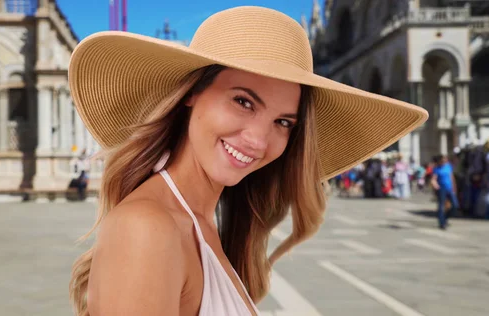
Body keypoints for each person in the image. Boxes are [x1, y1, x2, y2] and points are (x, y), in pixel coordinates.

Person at [67, 6, 428, 316]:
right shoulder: (148, 226)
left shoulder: (198, 223)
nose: (258, 140)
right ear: (192, 92)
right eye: (243, 101)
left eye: (284, 122)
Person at [430, 155, 459, 230]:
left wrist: (454, 187)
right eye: (442, 161)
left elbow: (451, 177)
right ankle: (442, 223)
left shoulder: (448, 167)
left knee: (455, 205)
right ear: (439, 161)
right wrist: (436, 186)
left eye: (445, 160)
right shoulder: (436, 169)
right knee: (441, 206)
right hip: (441, 189)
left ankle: (445, 217)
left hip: (449, 188)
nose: (444, 162)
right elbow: (433, 179)